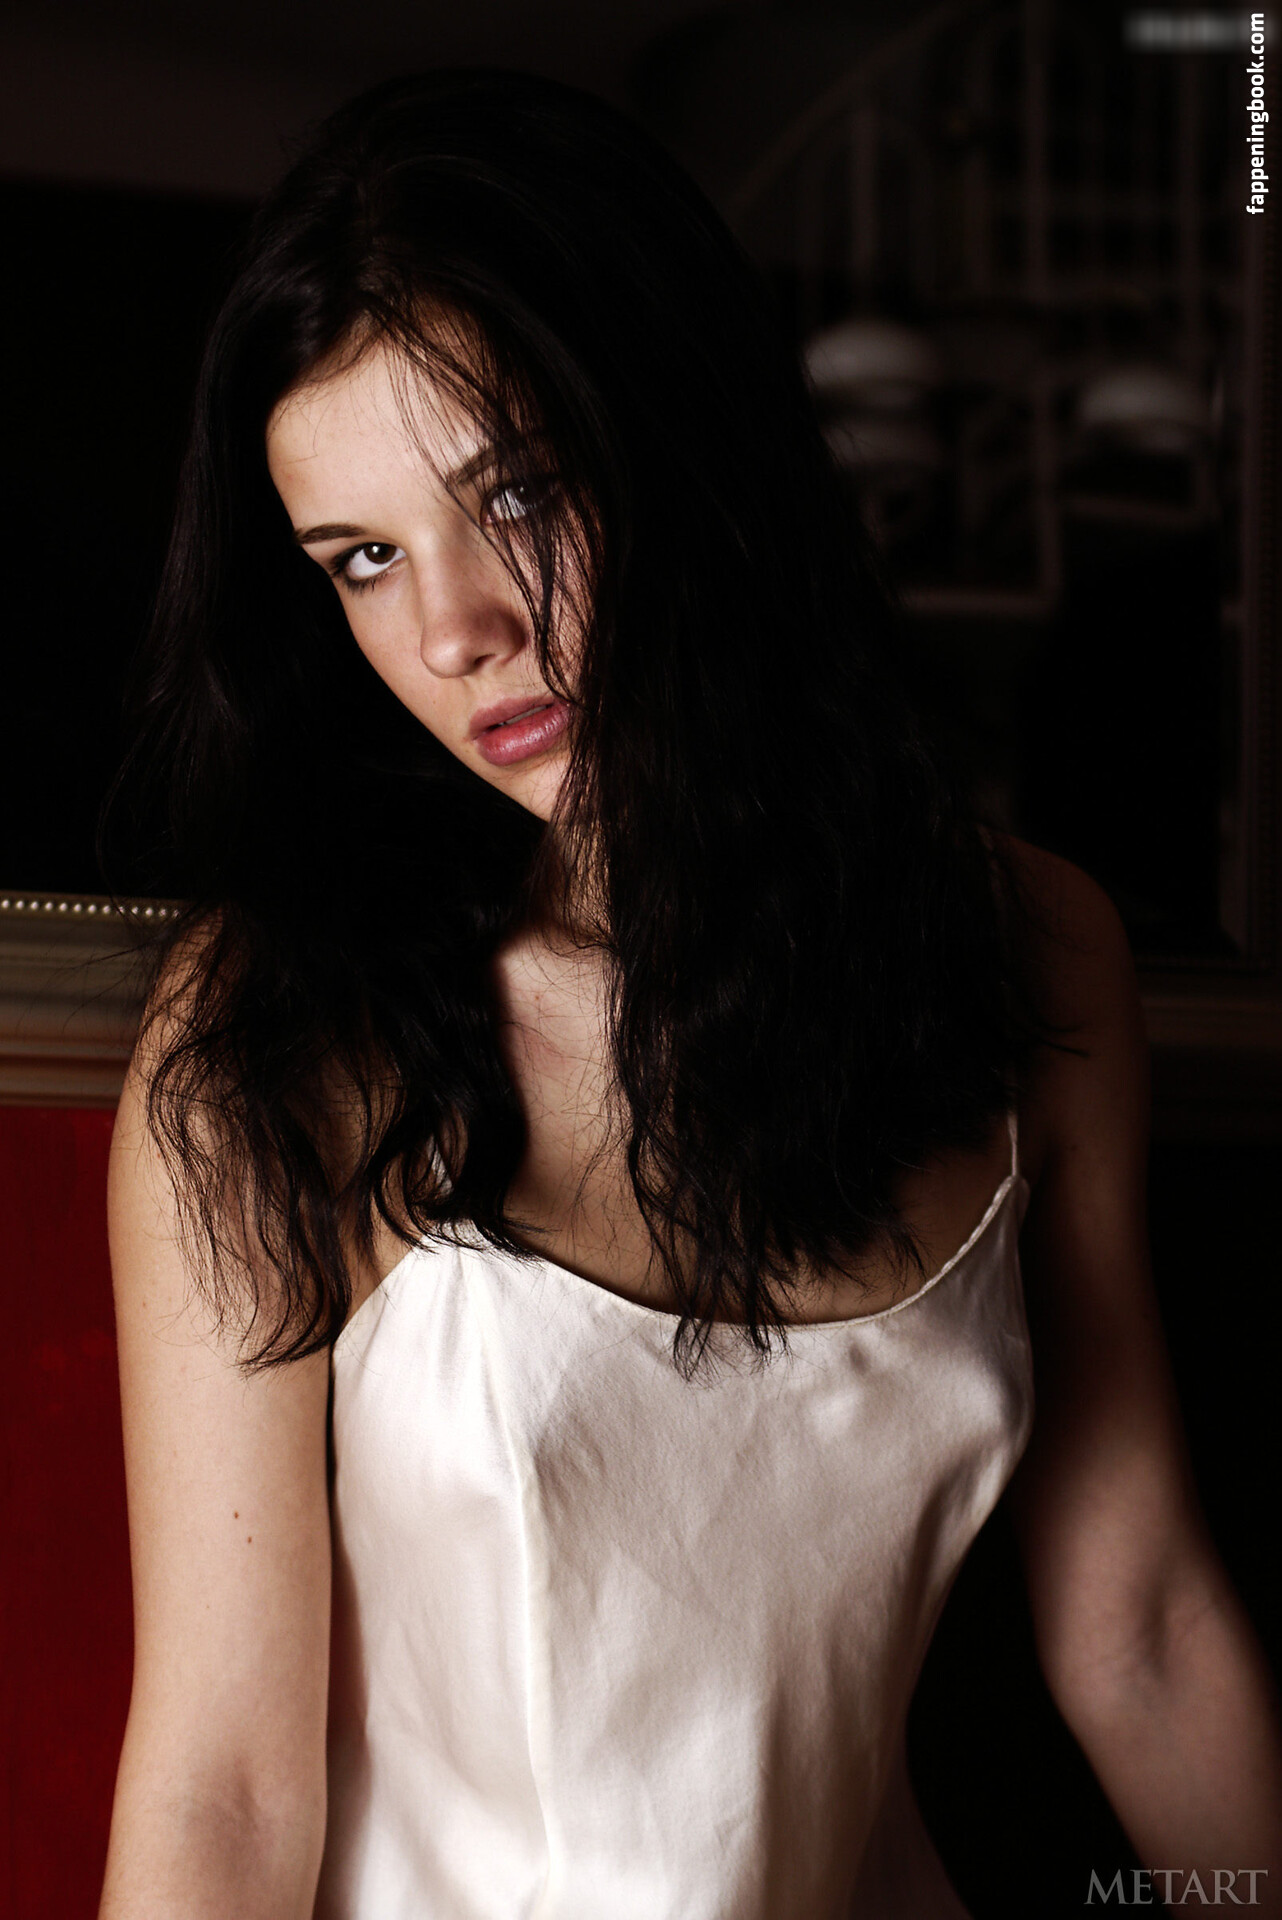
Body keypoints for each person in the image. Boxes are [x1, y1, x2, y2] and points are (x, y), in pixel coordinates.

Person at [97, 70, 1280, 1920]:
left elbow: (1133, 1621)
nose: (455, 630)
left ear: (684, 439)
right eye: (364, 560)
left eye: (514, 492)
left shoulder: (1028, 956)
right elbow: (224, 1798)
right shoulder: (278, 1035)